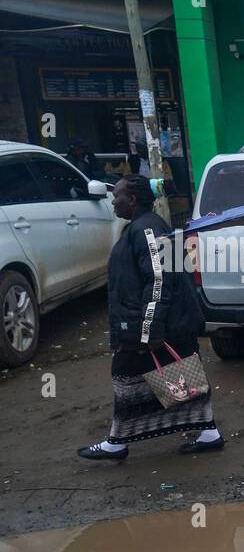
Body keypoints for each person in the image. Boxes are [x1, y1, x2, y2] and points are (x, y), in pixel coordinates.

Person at [78, 175, 225, 460]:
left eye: (117, 195)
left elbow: (159, 280)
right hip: (163, 322)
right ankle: (207, 434)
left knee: (125, 374)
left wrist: (148, 329)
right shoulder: (144, 226)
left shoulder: (145, 230)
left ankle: (118, 442)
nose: (113, 200)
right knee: (178, 376)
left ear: (132, 200)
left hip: (157, 325)